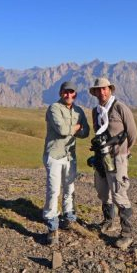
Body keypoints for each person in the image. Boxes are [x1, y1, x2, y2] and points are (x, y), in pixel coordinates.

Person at [89, 77, 137, 249]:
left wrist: (124, 151)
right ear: (94, 92)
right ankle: (109, 221)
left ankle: (127, 234)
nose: (102, 92)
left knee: (119, 192)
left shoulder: (119, 107)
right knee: (103, 191)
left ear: (110, 89)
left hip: (118, 157)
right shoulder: (96, 111)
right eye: (98, 89)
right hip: (102, 157)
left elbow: (132, 133)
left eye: (105, 89)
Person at [42, 81, 90, 245]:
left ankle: (69, 217)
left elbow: (86, 132)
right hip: (55, 155)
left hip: (70, 156)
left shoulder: (79, 110)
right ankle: (52, 225)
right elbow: (62, 131)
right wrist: (76, 127)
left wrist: (77, 129)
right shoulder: (54, 108)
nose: (69, 95)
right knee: (54, 190)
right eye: (65, 92)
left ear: (75, 94)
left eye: (72, 92)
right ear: (60, 93)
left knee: (70, 189)